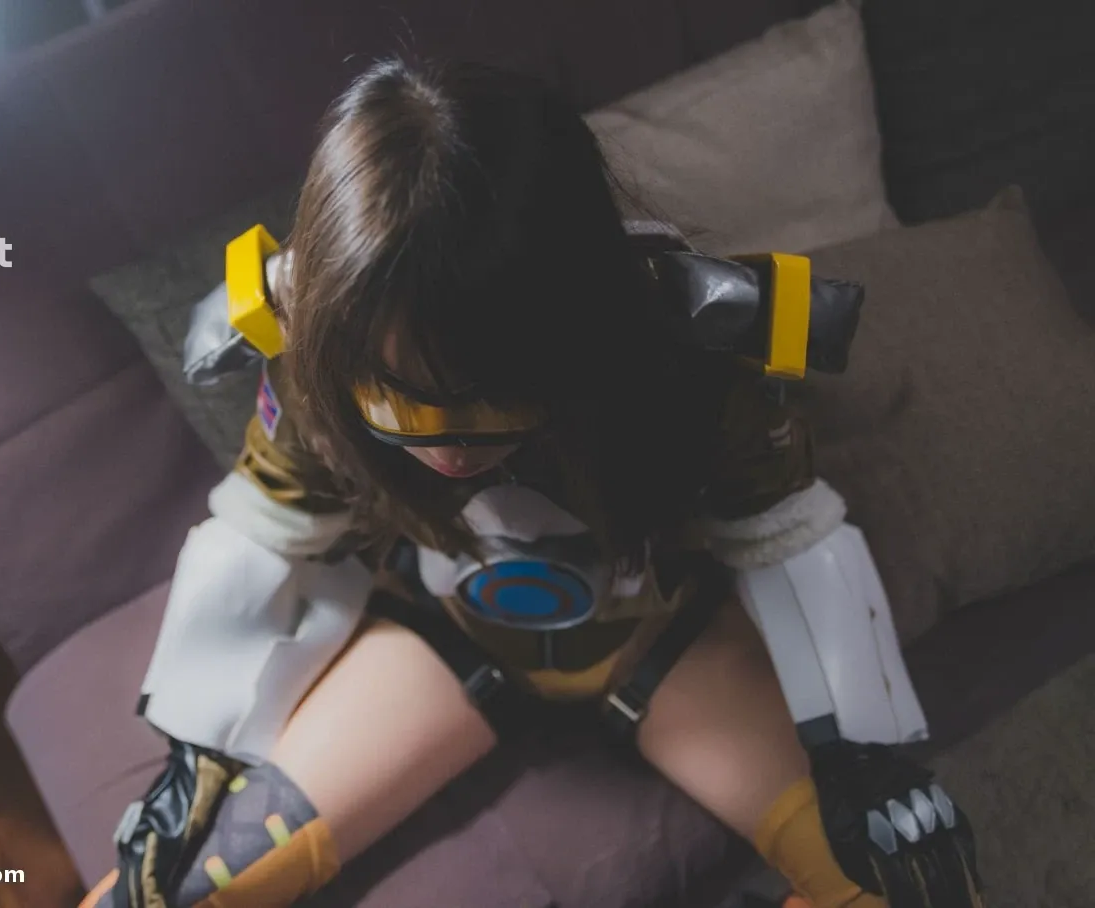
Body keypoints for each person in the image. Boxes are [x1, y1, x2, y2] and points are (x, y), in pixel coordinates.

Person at [83, 58, 984, 908]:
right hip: (447, 629)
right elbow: (265, 525)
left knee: (915, 884)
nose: (449, 451)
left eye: (482, 396)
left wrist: (862, 748)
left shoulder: (690, 366)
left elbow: (786, 533)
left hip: (657, 632)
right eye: (403, 397)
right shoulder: (319, 347)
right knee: (153, 890)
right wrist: (195, 747)